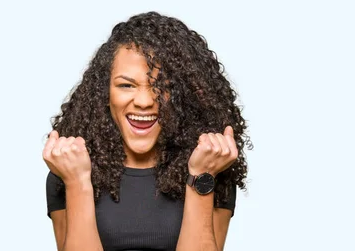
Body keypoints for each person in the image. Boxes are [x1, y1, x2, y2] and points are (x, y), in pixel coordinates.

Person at [43, 11, 251, 251]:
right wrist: (78, 182)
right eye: (126, 85)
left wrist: (201, 177)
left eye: (161, 86)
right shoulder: (70, 169)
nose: (144, 101)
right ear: (105, 94)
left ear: (185, 96)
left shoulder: (211, 170)